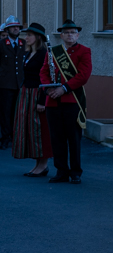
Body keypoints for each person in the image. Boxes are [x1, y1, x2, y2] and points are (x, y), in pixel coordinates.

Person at [40, 20, 91, 184]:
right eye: (66, 32)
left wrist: (64, 88)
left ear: (78, 35)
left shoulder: (84, 51)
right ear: (61, 36)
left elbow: (83, 75)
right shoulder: (53, 51)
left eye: (72, 32)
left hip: (72, 100)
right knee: (56, 138)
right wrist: (48, 89)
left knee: (73, 138)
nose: (70, 35)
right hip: (52, 101)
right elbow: (44, 72)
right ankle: (61, 171)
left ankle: (75, 172)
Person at [12, 23, 51, 174]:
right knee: (29, 129)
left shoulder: (43, 54)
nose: (26, 38)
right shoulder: (29, 53)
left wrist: (42, 100)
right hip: (26, 93)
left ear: (38, 37)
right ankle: (37, 164)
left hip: (37, 93)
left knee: (39, 129)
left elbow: (47, 78)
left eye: (29, 35)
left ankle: (43, 164)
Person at [0, 16, 24, 150]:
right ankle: (5, 137)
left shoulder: (23, 44)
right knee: (5, 112)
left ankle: (16, 137)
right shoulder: (2, 44)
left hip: (20, 84)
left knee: (18, 112)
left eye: (17, 27)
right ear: (7, 29)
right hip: (5, 84)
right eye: (13, 27)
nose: (16, 29)